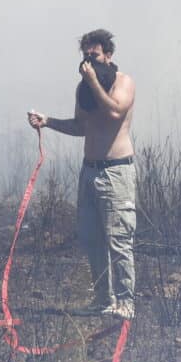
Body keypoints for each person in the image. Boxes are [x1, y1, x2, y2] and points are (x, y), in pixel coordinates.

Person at [27, 28, 137, 320]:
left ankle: (125, 303)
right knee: (91, 238)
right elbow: (80, 127)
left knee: (118, 240)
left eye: (95, 54)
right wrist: (47, 121)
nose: (89, 60)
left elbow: (114, 112)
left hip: (116, 173)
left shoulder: (123, 83)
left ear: (109, 55)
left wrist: (92, 81)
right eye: (86, 55)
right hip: (89, 172)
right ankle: (103, 300)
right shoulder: (84, 90)